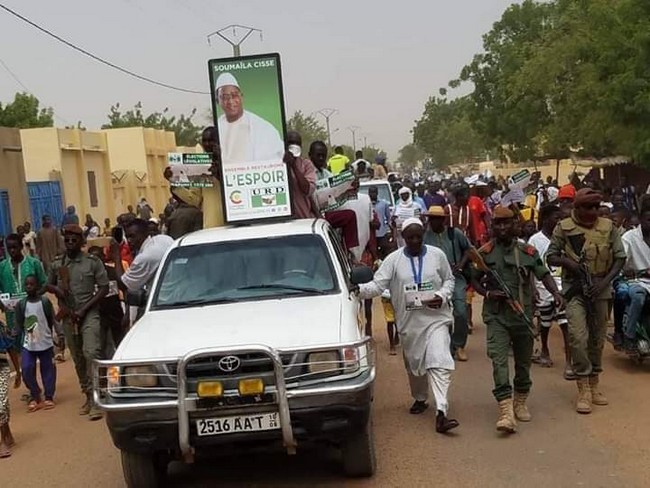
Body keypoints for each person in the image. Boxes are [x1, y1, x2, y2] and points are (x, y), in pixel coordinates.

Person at [358, 218, 459, 433]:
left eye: (418, 237)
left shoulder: (436, 255)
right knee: (415, 367)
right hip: (409, 324)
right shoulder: (393, 260)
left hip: (436, 319)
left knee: (438, 360)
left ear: (424, 236)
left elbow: (450, 280)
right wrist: (355, 290)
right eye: (410, 237)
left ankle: (442, 411)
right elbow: (377, 285)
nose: (415, 241)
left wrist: (441, 295)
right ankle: (420, 398)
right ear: (402, 238)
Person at [471, 206, 563, 433]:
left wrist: (556, 294)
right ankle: (505, 411)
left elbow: (543, 273)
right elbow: (473, 280)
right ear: (492, 226)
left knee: (523, 363)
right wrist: (489, 293)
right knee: (499, 361)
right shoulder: (485, 253)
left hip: (522, 315)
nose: (502, 228)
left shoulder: (528, 252)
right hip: (496, 316)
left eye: (507, 223)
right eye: (498, 224)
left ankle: (520, 401)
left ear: (515, 225)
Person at [547, 189, 626, 414]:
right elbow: (550, 256)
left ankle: (594, 384)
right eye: (588, 207)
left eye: (596, 207)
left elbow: (620, 258)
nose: (593, 212)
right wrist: (570, 264)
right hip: (575, 290)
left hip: (600, 289)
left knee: (598, 338)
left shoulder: (608, 227)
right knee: (578, 337)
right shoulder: (564, 227)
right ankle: (582, 388)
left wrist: (604, 282)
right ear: (577, 207)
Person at [46, 225, 109, 421]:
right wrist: (57, 290)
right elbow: (48, 284)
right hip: (68, 315)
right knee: (78, 357)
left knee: (91, 352)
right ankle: (88, 395)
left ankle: (98, 396)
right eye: (67, 240)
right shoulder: (58, 264)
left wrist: (84, 309)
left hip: (89, 313)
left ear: (81, 242)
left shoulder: (92, 262)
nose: (70, 243)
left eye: (74, 240)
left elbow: (104, 288)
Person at [528, 205, 573, 378]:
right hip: (542, 286)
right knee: (545, 321)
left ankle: (569, 362)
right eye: (556, 218)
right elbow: (531, 268)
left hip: (562, 287)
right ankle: (545, 350)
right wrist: (533, 289)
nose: (559, 222)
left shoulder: (565, 238)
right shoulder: (535, 240)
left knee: (565, 323)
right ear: (546, 219)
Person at [423, 206, 471, 361]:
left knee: (461, 312)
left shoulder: (454, 233)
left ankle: (459, 345)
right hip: (435, 281)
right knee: (440, 314)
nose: (433, 222)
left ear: (443, 219)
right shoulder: (425, 236)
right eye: (431, 219)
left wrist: (461, 265)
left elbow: (469, 250)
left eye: (436, 218)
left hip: (456, 278)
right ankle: (445, 345)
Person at [111, 219, 174, 323]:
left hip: (161, 303)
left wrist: (117, 256)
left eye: (133, 236)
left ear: (145, 233)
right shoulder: (164, 239)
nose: (129, 241)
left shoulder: (145, 257)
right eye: (127, 237)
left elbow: (124, 285)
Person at [214, 72, 284, 164]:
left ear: (241, 97)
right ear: (217, 101)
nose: (230, 101)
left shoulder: (264, 128)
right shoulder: (216, 129)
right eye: (225, 97)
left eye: (234, 95)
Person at [15, 275, 57, 412]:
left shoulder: (44, 302)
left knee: (48, 370)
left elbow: (52, 319)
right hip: (29, 344)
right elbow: (19, 323)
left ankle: (49, 396)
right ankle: (35, 394)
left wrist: (58, 335)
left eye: (32, 284)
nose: (29, 287)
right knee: (26, 369)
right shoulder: (21, 304)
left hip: (45, 342)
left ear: (37, 286)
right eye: (26, 285)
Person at [309, 141, 359, 252]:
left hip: (327, 210)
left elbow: (336, 189)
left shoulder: (327, 173)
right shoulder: (308, 172)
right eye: (318, 155)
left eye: (323, 156)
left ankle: (350, 252)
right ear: (310, 155)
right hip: (311, 214)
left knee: (350, 214)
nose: (321, 158)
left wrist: (351, 187)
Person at [0, 234, 48, 346]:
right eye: (9, 248)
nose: (12, 251)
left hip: (33, 311)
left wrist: (34, 297)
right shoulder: (2, 267)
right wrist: (3, 304)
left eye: (14, 247)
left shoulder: (33, 263)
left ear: (21, 246)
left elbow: (44, 284)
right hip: (12, 314)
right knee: (18, 344)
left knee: (37, 343)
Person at [620, 200, 650, 352]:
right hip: (635, 281)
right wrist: (636, 271)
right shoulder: (629, 238)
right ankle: (629, 336)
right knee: (638, 296)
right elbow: (621, 263)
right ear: (640, 219)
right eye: (648, 219)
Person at [88, 247, 125, 358]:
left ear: (104, 258)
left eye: (98, 258)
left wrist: (127, 311)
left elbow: (124, 288)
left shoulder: (112, 272)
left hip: (115, 313)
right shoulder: (88, 277)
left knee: (120, 343)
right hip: (98, 316)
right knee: (101, 346)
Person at [284, 131, 317, 219]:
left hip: (303, 220)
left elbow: (307, 190)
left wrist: (293, 166)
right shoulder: (276, 164)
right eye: (290, 143)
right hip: (283, 221)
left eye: (296, 144)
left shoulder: (306, 165)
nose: (293, 146)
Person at [0, 325, 20, 459]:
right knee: (2, 404)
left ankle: (2, 441)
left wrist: (18, 372)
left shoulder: (0, 327)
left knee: (0, 405)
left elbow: (11, 349)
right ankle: (6, 431)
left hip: (1, 369)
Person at [368, 185, 395, 259]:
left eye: (374, 192)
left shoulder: (384, 204)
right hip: (370, 234)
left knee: (384, 252)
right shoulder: (366, 204)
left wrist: (388, 229)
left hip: (381, 233)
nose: (372, 194)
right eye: (370, 192)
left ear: (377, 193)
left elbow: (388, 218)